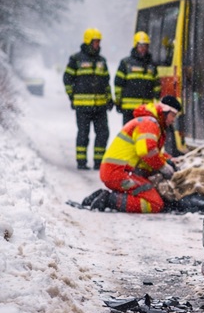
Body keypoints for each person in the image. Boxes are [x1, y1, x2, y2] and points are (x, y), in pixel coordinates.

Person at [90, 96, 182, 213]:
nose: (173, 120)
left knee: (153, 195)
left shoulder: (148, 122)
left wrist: (168, 160)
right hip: (119, 173)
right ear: (165, 111)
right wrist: (163, 167)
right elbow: (147, 152)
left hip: (117, 172)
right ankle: (110, 200)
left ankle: (105, 196)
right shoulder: (149, 124)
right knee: (155, 204)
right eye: (173, 115)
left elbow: (151, 152)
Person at [63, 28, 113, 169]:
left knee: (103, 133)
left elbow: (106, 82)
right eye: (95, 42)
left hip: (100, 106)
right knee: (83, 134)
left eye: (99, 42)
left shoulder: (102, 61)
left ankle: (99, 162)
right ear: (88, 41)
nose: (98, 44)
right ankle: (81, 162)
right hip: (82, 105)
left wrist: (109, 99)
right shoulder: (76, 59)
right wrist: (72, 96)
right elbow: (67, 79)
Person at [114, 31, 160, 124]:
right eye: (141, 46)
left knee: (145, 133)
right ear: (136, 46)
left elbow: (156, 86)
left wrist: (155, 104)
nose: (143, 49)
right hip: (129, 109)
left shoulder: (152, 65)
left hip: (146, 110)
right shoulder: (126, 63)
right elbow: (118, 84)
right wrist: (118, 101)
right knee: (129, 133)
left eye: (145, 46)